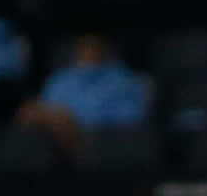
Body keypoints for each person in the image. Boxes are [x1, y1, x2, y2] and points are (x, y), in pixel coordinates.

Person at [15, 34, 151, 154]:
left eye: (94, 44)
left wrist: (75, 124)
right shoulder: (59, 80)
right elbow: (44, 112)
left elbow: (133, 118)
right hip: (57, 149)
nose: (89, 49)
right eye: (84, 44)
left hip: (104, 147)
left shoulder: (124, 80)